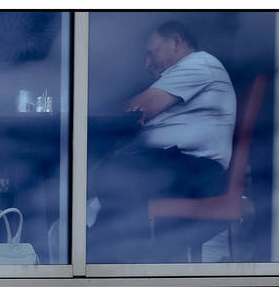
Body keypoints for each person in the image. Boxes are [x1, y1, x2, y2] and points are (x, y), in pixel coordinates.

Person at [88, 21, 236, 263]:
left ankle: (127, 261)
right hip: (181, 166)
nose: (147, 64)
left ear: (176, 42)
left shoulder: (200, 63)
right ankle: (108, 256)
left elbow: (141, 107)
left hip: (197, 171)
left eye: (151, 53)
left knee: (114, 176)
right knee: (107, 178)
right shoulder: (186, 76)